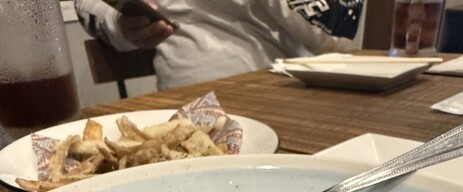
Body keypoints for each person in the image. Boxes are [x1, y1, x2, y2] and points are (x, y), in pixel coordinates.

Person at [75, 0, 364, 90]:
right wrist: (119, 23)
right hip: (201, 90)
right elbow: (85, 4)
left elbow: (339, 40)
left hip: (300, 84)